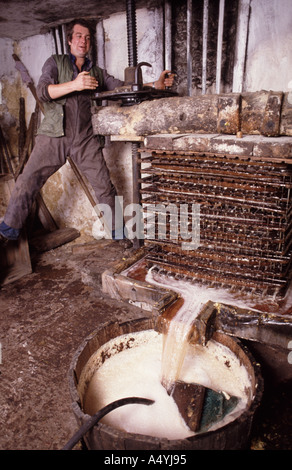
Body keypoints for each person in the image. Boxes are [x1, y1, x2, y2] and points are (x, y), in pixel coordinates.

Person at [0, 18, 174, 244]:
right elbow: (43, 91)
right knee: (27, 180)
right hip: (54, 135)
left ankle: (119, 235)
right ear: (70, 40)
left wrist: (155, 85)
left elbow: (122, 87)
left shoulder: (96, 73)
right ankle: (7, 232)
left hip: (85, 138)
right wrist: (75, 84)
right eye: (79, 36)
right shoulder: (55, 62)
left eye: (87, 38)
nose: (83, 41)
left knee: (105, 187)